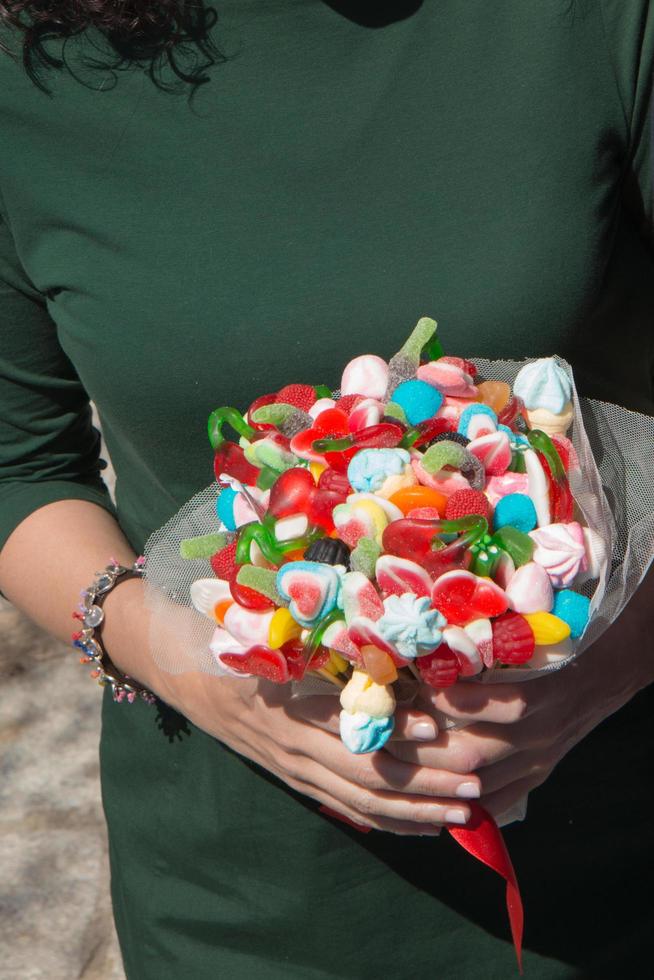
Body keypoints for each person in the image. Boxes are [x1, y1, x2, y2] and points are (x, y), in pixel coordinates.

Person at [0, 1, 652, 976]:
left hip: (610, 882)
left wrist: (607, 667)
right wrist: (180, 655)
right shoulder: (32, 69)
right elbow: (19, 465)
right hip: (239, 912)